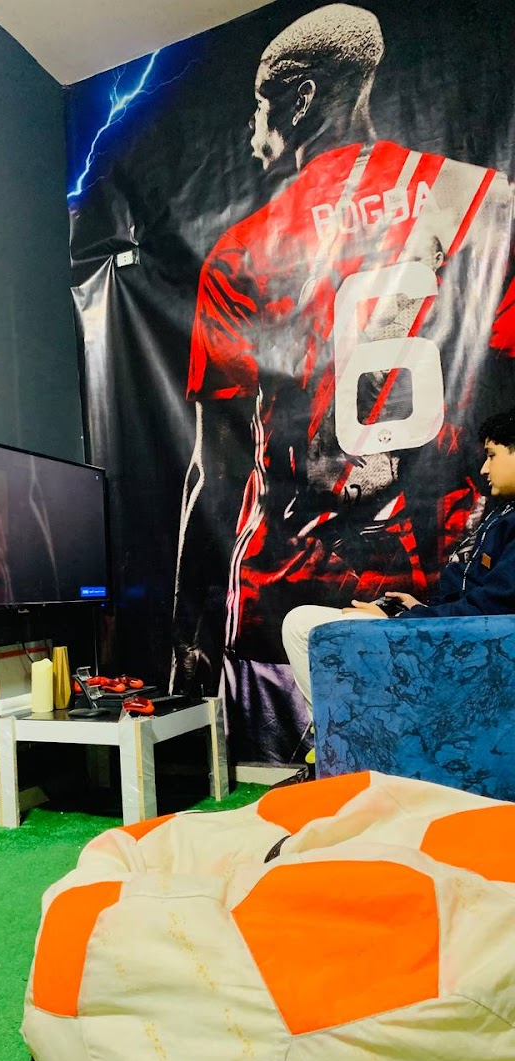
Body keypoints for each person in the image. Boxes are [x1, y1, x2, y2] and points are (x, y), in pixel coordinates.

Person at [172, 3, 515, 763]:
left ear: (300, 99)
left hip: (288, 587)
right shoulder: (484, 202)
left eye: (261, 104)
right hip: (444, 586)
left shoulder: (244, 250)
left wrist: (186, 633)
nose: (252, 130)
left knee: (307, 787)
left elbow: (215, 471)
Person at [282, 407, 515, 713]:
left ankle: (351, 734)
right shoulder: (502, 514)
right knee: (303, 623)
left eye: (492, 456)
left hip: (467, 650)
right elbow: (473, 601)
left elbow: (491, 611)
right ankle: (352, 732)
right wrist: (418, 609)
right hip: (450, 635)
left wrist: (406, 620)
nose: (484, 469)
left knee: (301, 626)